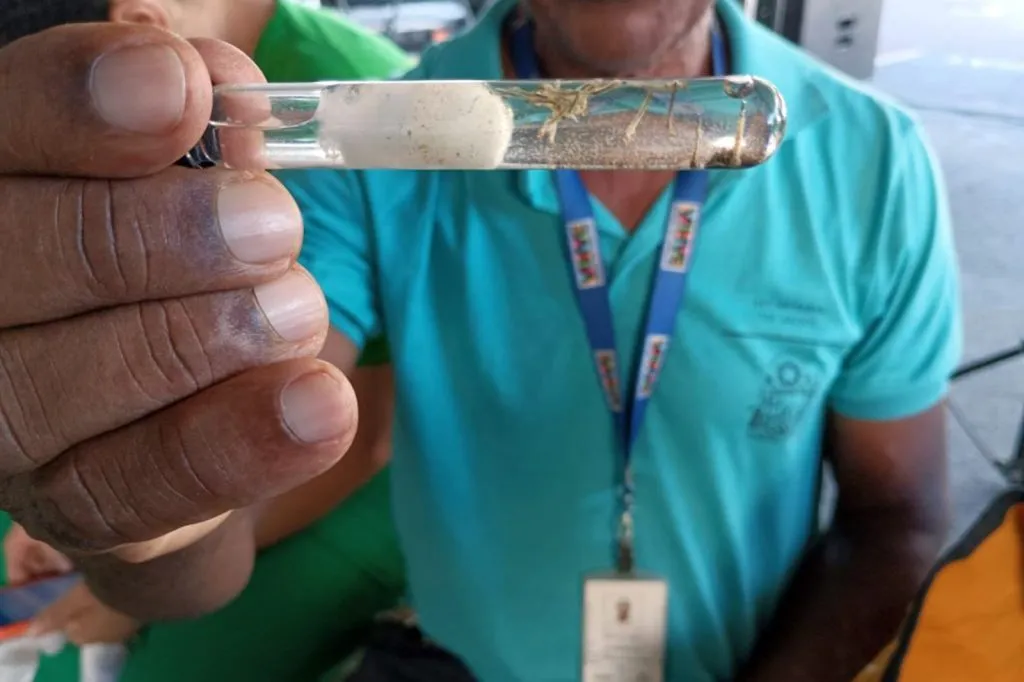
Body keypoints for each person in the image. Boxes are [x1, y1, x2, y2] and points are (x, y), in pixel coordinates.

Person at [0, 1, 960, 682]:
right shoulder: (379, 144)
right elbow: (219, 514)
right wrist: (147, 504)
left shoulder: (872, 162)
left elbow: (899, 522)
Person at [0, 0, 407, 677]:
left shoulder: (347, 111)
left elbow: (359, 435)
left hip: (363, 495)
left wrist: (142, 541)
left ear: (140, 27)